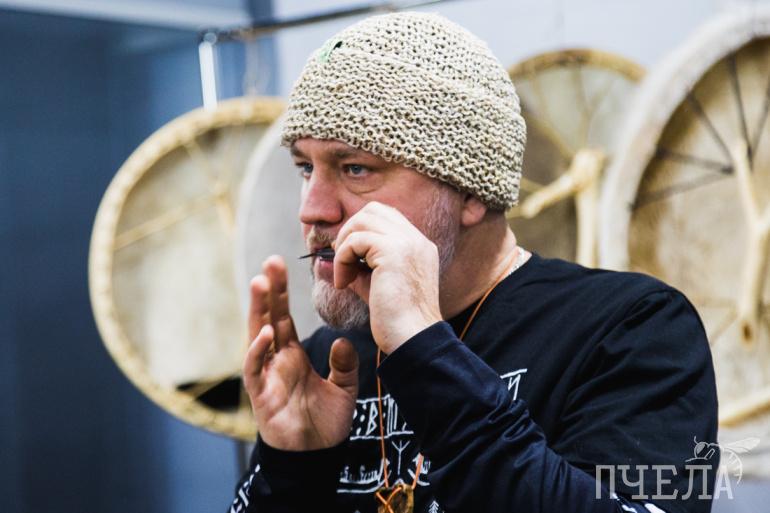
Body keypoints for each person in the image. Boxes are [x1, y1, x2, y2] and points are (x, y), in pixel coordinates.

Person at [229, 11, 718, 513]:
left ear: (470, 194)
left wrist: (425, 352)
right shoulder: (328, 360)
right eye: (305, 168)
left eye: (355, 168)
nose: (312, 209)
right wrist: (290, 472)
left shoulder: (631, 328)